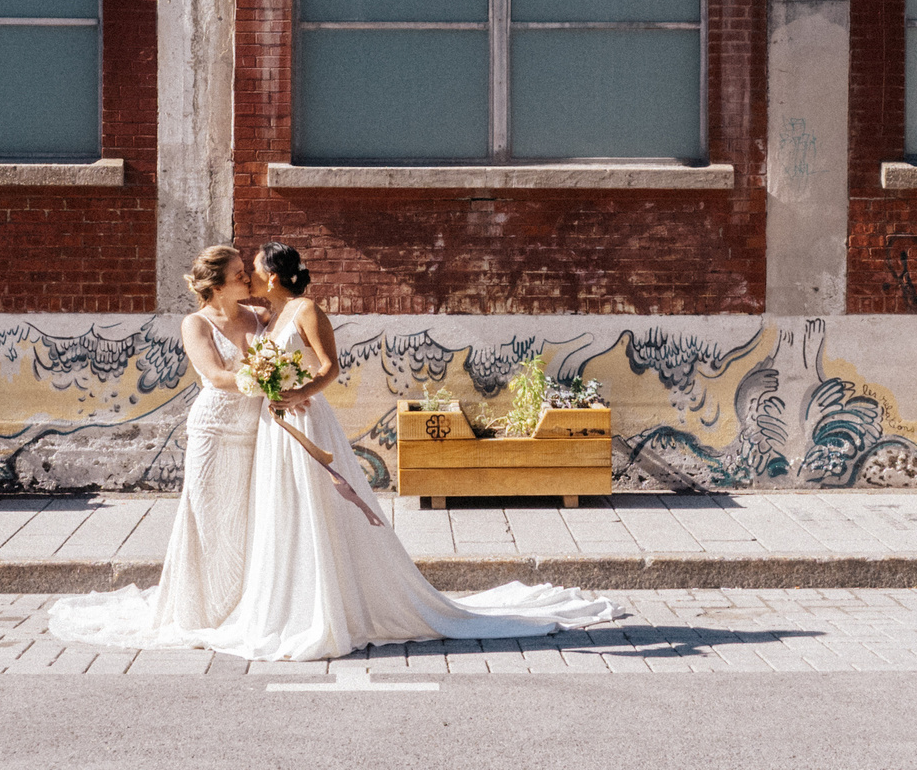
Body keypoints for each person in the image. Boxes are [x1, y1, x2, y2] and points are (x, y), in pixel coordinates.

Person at [196, 241, 621, 662]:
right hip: (277, 427)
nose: (247, 275)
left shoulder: (306, 310)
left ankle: (328, 609)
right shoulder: (267, 317)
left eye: (251, 268)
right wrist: (272, 387)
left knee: (317, 507)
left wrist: (299, 391)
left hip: (306, 419)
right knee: (283, 509)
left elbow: (330, 367)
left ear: (272, 275)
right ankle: (289, 606)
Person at [45, 245, 263, 646]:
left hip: (256, 429)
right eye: (238, 274)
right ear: (215, 286)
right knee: (210, 518)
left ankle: (247, 602)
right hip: (214, 431)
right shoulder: (195, 324)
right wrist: (267, 378)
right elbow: (215, 376)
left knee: (249, 519)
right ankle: (201, 610)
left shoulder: (260, 317)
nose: (247, 278)